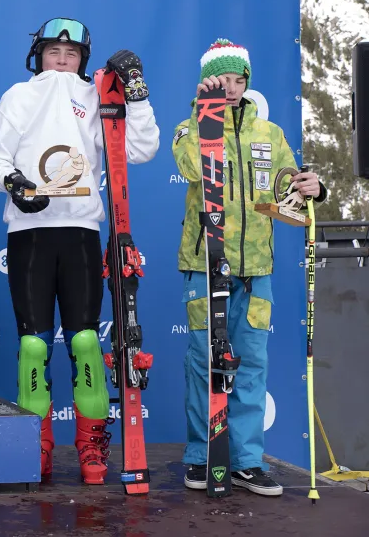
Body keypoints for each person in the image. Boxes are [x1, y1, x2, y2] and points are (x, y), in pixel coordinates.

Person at [0, 18, 160, 483]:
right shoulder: (18, 96)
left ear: (83, 58)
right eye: (54, 51)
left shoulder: (96, 94)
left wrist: (135, 96)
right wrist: (14, 182)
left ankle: (92, 445)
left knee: (84, 342)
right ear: (38, 54)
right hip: (30, 232)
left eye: (72, 53)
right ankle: (36, 442)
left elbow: (139, 149)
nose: (62, 60)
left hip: (80, 229)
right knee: (34, 346)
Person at [173, 38, 326, 497]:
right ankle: (203, 455)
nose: (233, 89)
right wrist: (207, 115)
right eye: (223, 82)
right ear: (207, 85)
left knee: (253, 364)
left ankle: (246, 461)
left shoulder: (271, 135)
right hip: (205, 264)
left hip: (256, 267)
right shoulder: (190, 128)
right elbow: (190, 168)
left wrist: (312, 189)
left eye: (239, 80)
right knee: (204, 362)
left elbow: (286, 200)